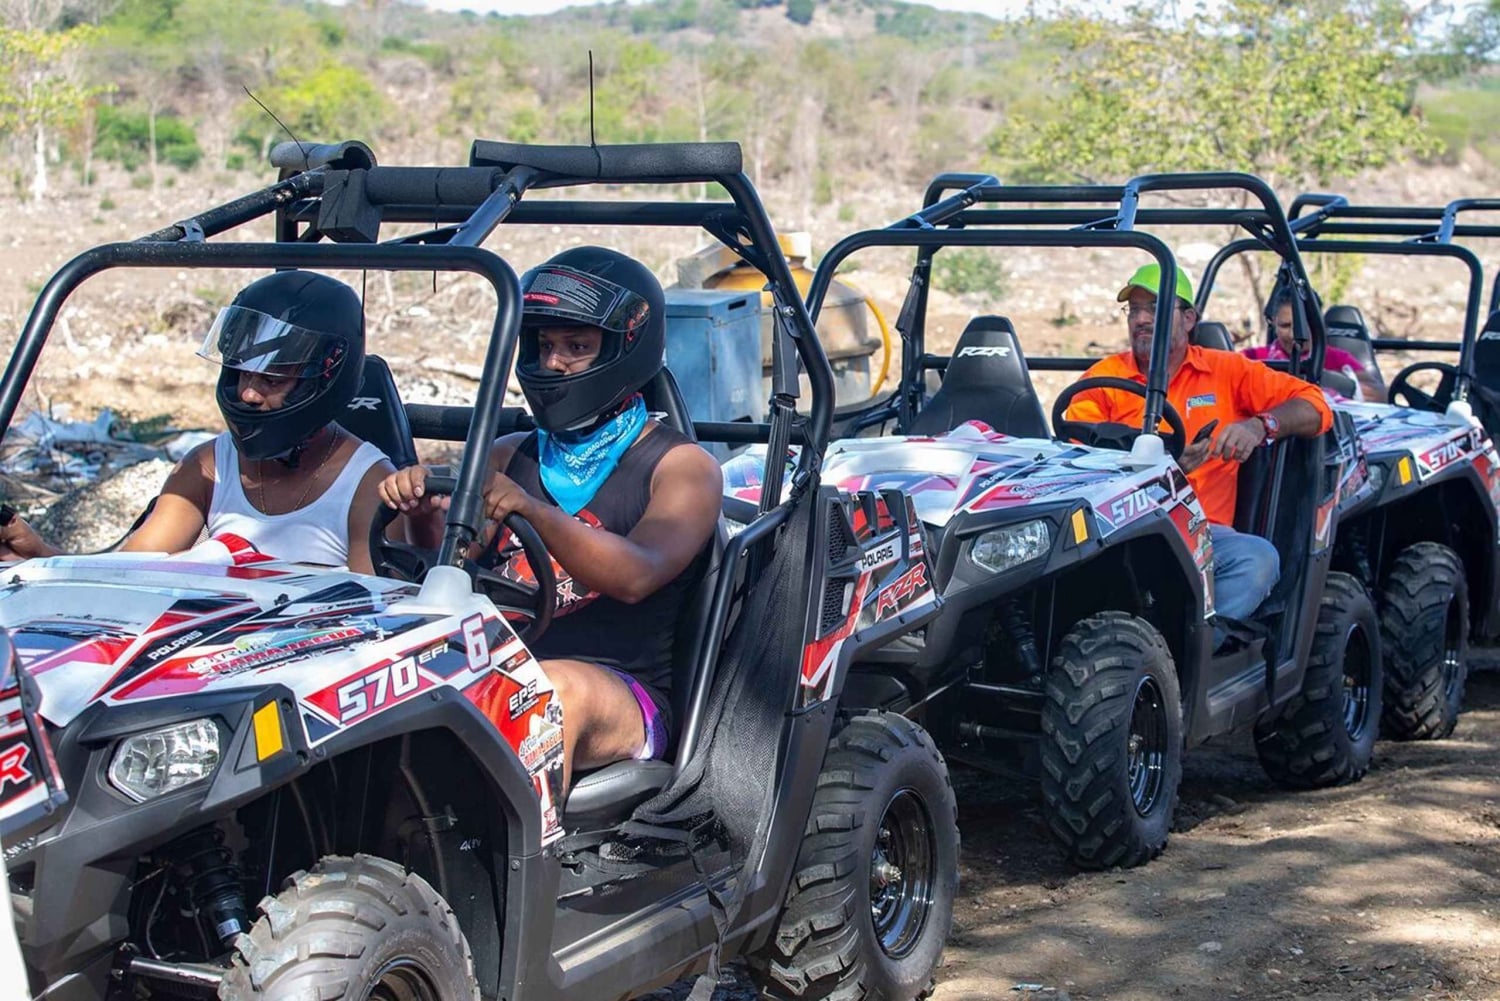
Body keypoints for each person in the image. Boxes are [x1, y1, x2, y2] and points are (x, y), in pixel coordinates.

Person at [379, 246, 722, 790]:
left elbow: (637, 574)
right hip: (493, 663)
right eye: (545, 346)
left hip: (623, 690)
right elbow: (444, 570)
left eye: (577, 347)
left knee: (549, 692)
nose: (554, 364)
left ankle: (525, 871)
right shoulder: (509, 454)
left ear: (626, 348)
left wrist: (530, 509)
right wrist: (419, 513)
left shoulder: (681, 468)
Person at [0, 270, 393, 572]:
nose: (248, 394)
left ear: (324, 380)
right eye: (239, 374)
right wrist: (40, 557)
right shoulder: (208, 464)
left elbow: (382, 614)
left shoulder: (366, 481)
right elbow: (127, 571)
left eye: (271, 380)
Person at [1063, 262, 1332, 630]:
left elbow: (1315, 406)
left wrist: (1260, 426)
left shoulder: (1227, 371)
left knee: (1258, 561)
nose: (1141, 319)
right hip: (1118, 531)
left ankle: (1192, 650)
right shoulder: (1104, 378)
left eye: (1154, 308)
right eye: (1134, 309)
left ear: (1189, 318)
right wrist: (1164, 469)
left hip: (1202, 533)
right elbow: (1076, 454)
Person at [1242, 286, 1385, 402]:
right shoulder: (1253, 358)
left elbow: (1379, 395)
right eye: (1285, 326)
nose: (1294, 335)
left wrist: (1336, 384)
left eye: (1303, 326)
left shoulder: (1337, 359)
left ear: (1318, 323)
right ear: (1273, 324)